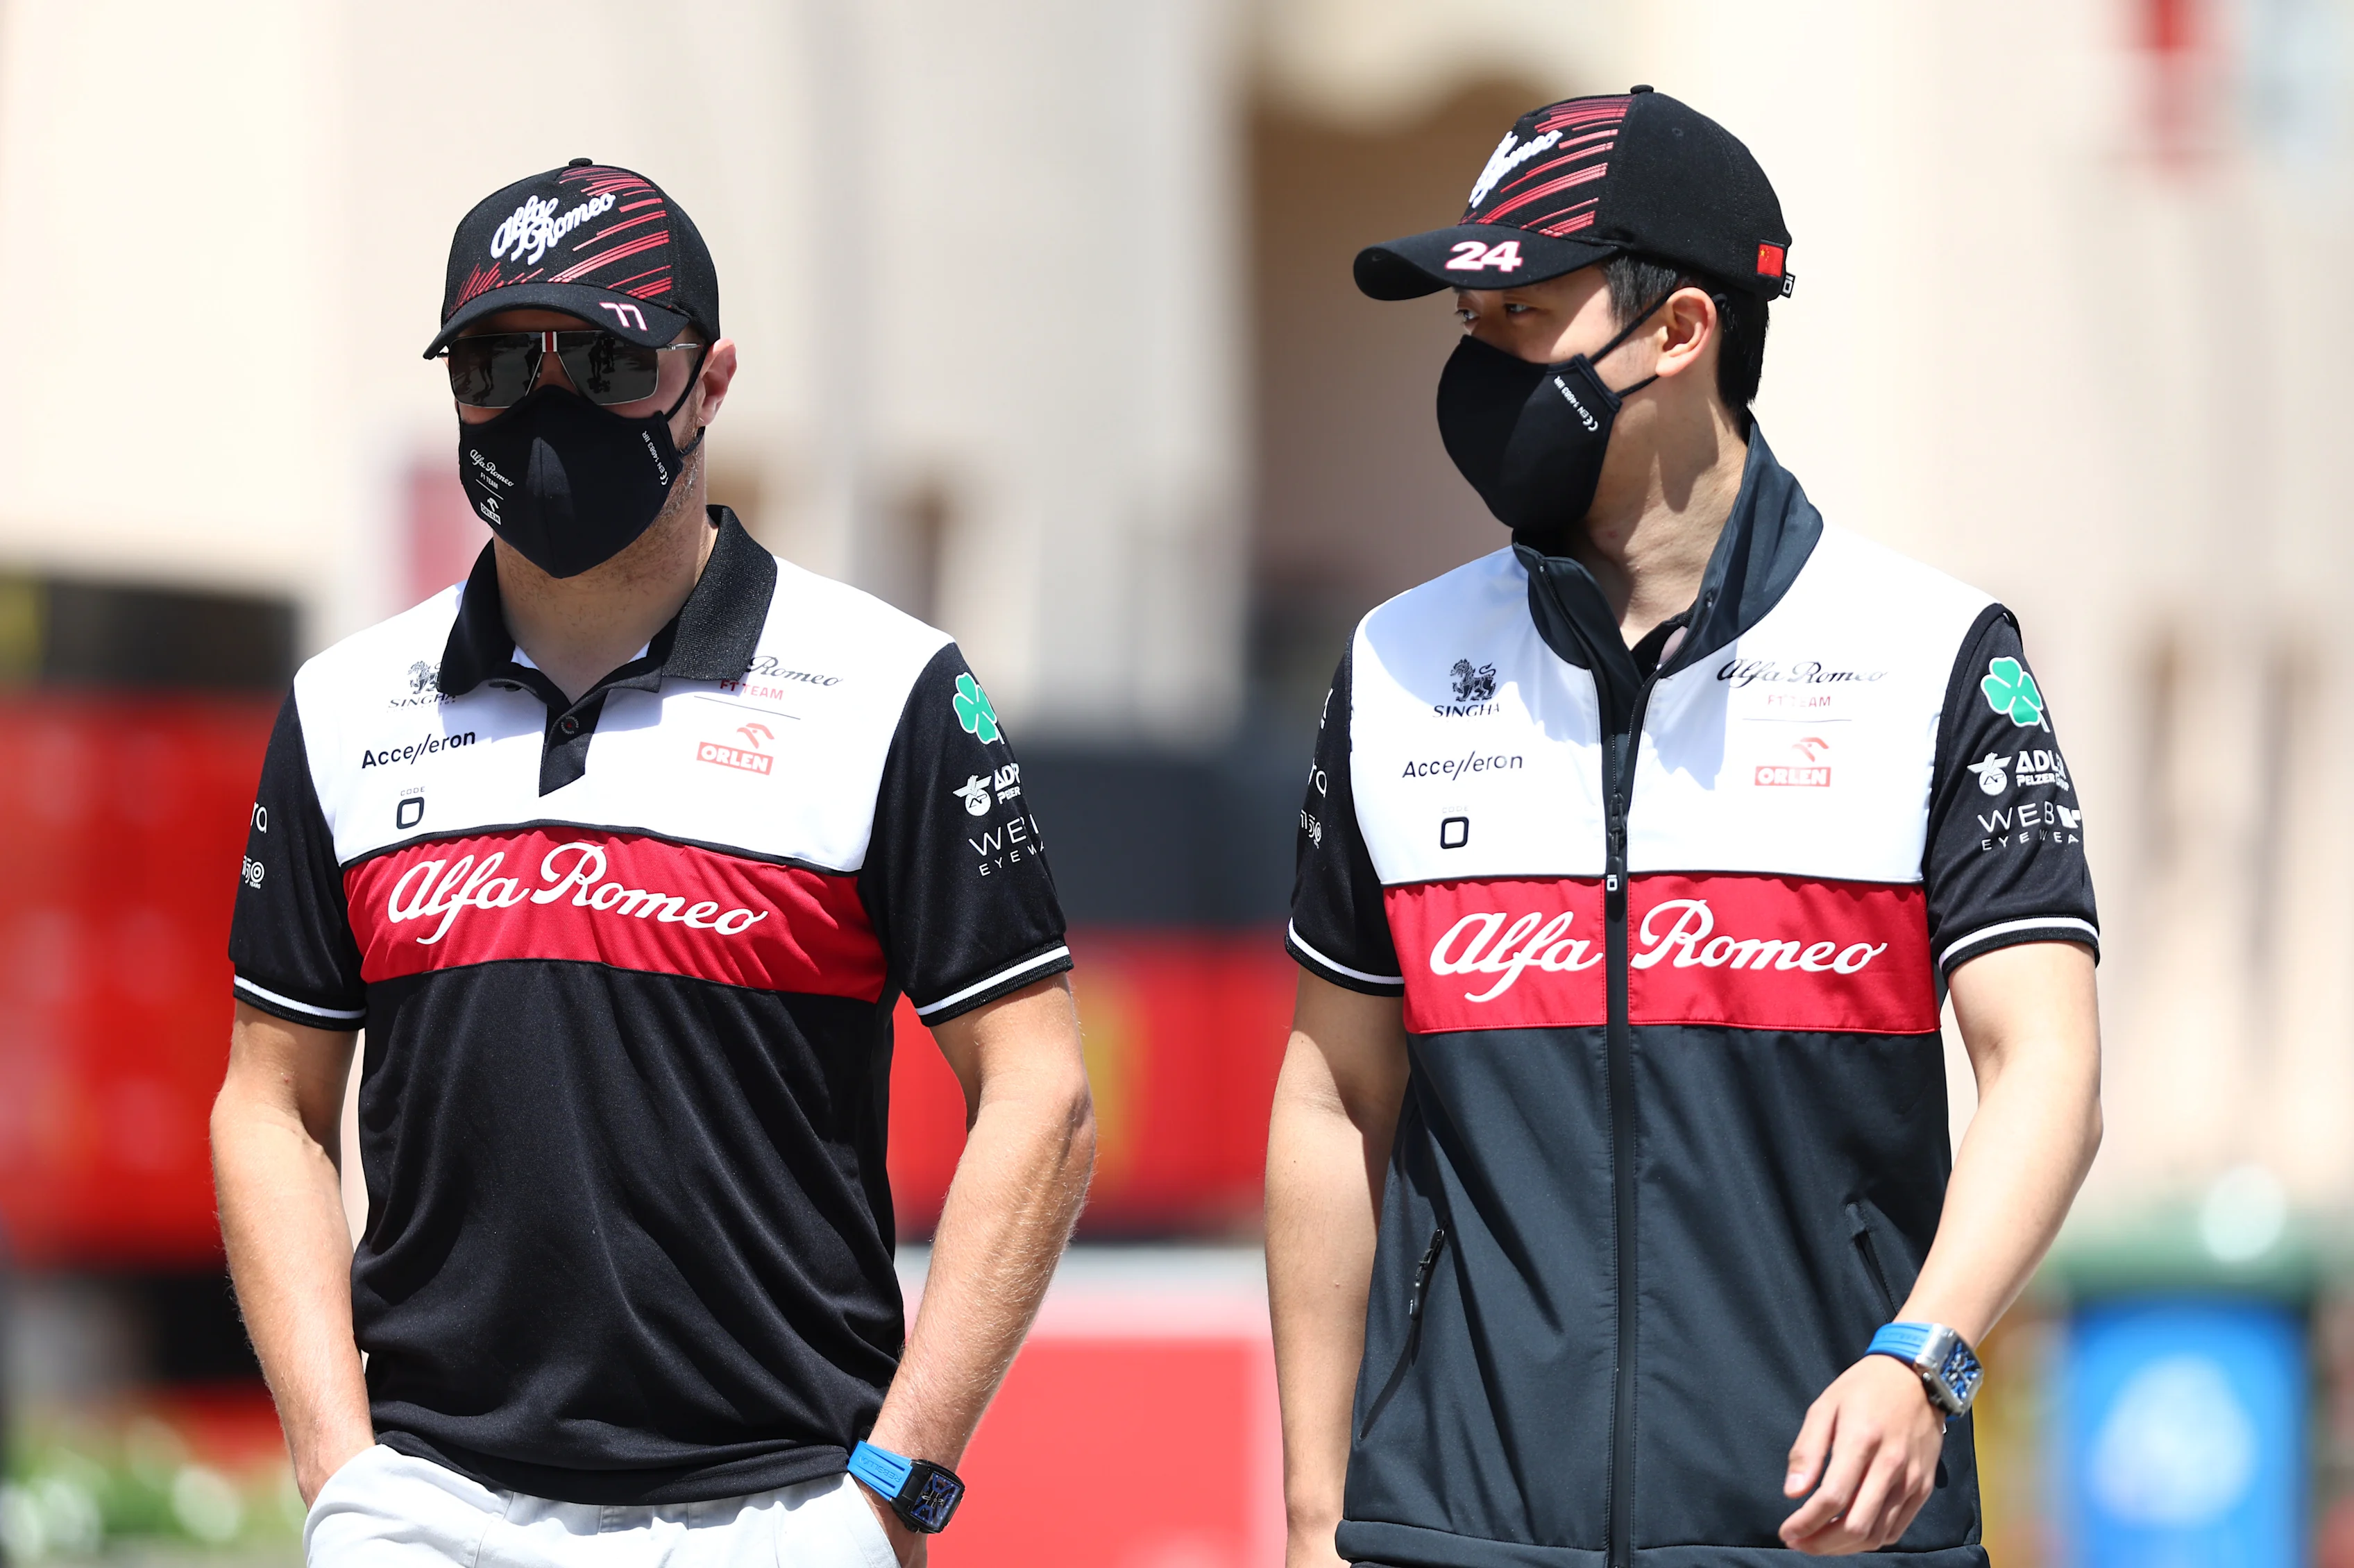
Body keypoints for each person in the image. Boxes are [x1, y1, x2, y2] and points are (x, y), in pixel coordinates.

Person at [212, 160, 1094, 1568]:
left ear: (710, 381)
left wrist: (893, 1485)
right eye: (498, 365)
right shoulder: (342, 706)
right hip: (426, 1509)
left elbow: (1039, 1093)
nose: (548, 403)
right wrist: (339, 1468)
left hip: (784, 1509)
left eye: (610, 362)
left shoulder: (890, 687)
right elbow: (271, 1103)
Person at [1264, 89, 2102, 1566]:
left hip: (1821, 1535)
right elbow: (1332, 1097)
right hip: (1457, 1535)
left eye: (1522, 315)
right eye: (1468, 321)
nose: (1477, 364)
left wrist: (1927, 1353)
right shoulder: (1394, 664)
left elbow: (2047, 1062)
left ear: (1680, 331)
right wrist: (1315, 1513)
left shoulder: (1935, 658)